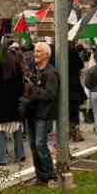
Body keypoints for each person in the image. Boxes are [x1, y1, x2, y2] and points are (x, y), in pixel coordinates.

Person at [0, 44, 26, 165]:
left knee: (0, 130)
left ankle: (0, 158)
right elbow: (21, 86)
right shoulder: (16, 65)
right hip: (13, 102)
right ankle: (20, 154)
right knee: (17, 128)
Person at [25, 42, 58, 185]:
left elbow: (50, 94)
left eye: (38, 51)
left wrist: (33, 89)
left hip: (43, 114)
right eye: (35, 51)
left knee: (40, 144)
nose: (35, 54)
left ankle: (50, 176)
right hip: (30, 112)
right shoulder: (32, 70)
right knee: (32, 145)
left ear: (46, 54)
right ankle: (40, 176)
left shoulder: (51, 73)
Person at [67, 43, 86, 142]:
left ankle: (69, 132)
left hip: (65, 87)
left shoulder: (60, 52)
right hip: (74, 87)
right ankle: (75, 132)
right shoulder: (73, 52)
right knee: (74, 111)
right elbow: (81, 65)